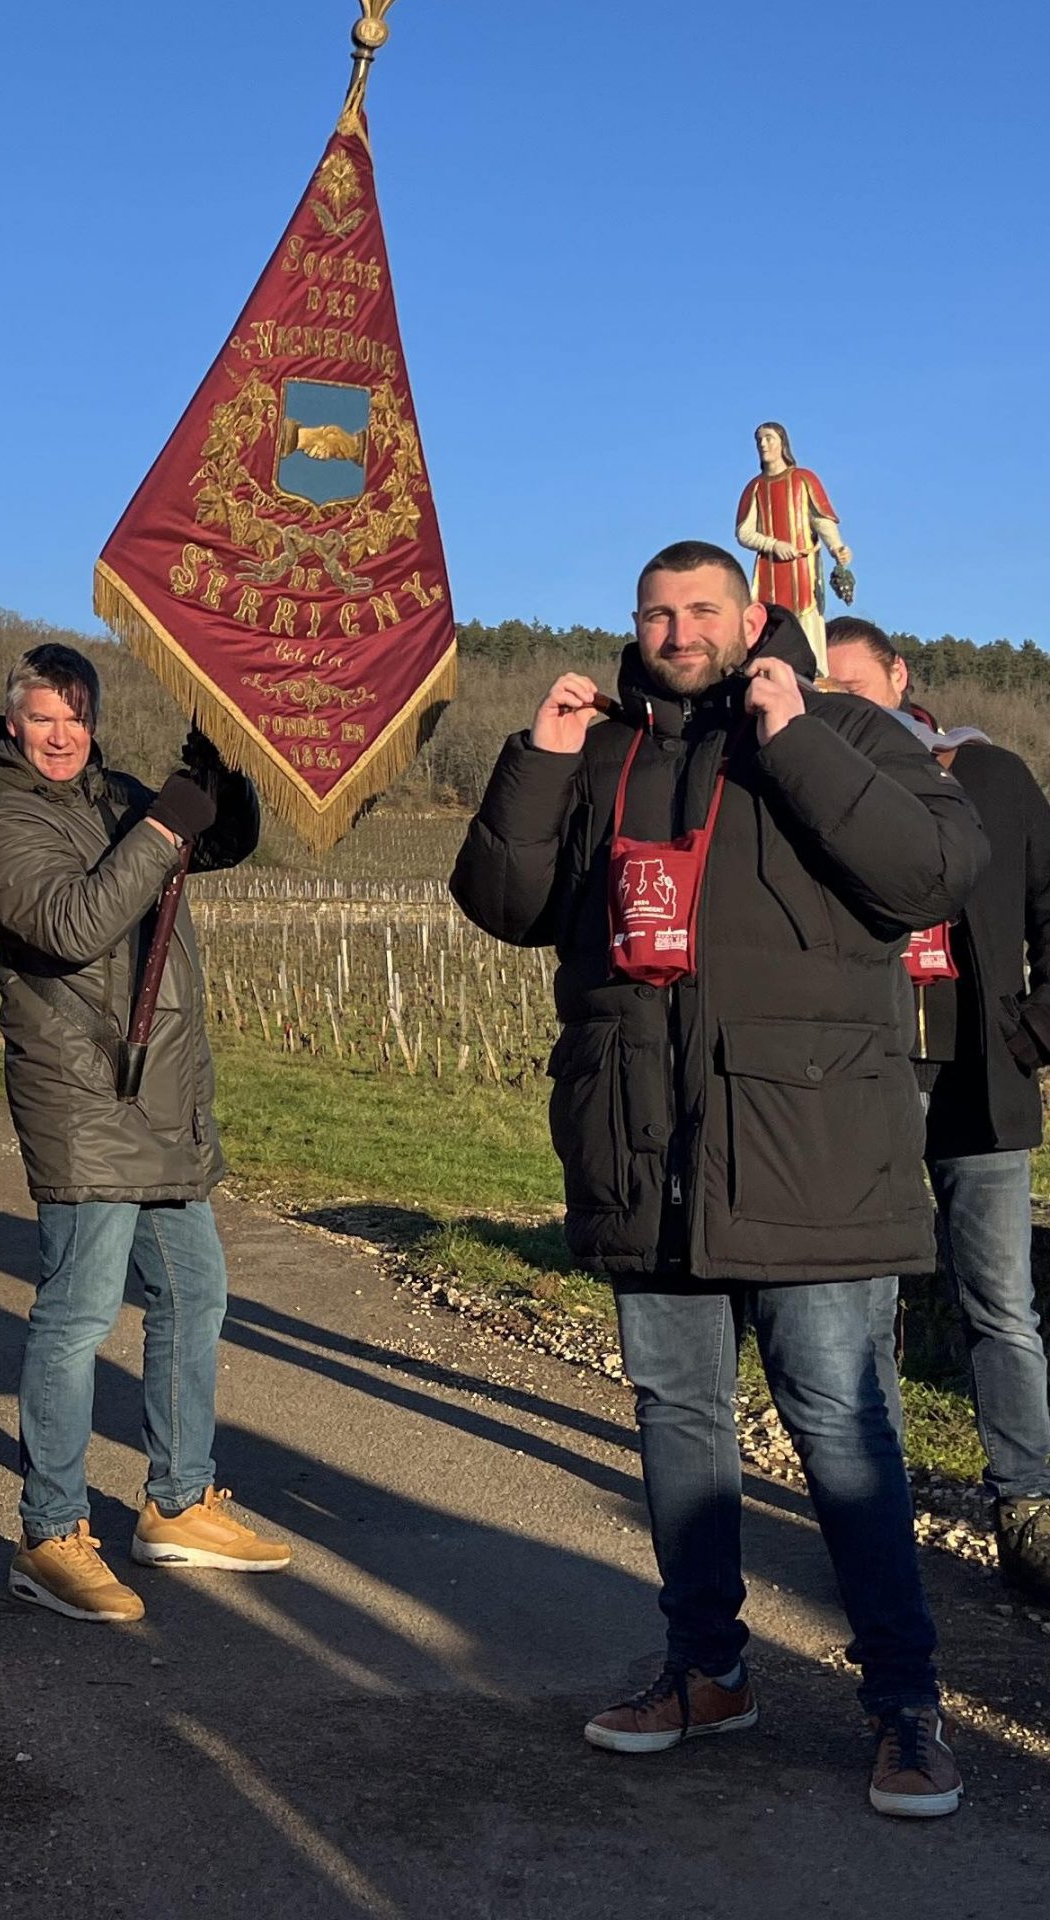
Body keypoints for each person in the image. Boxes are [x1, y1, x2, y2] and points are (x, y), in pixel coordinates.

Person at [452, 540, 984, 1819]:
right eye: (655, 611)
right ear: (632, 626)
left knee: (842, 1432)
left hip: (811, 1153)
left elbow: (928, 873)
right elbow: (503, 900)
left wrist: (797, 737)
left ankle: (905, 1708)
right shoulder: (612, 753)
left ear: (750, 618)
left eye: (701, 609)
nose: (676, 628)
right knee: (677, 1427)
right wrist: (538, 759)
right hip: (646, 1145)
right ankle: (706, 1670)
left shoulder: (847, 726)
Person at [0, 644, 289, 1624]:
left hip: (159, 1093)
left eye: (75, 716)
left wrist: (216, 773)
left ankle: (178, 1503)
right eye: (43, 718)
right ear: (12, 720)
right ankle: (49, 1533)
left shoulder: (114, 795)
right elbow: (71, 923)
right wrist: (160, 823)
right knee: (77, 1319)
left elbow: (214, 846)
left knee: (196, 1293)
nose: (61, 735)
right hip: (83, 1096)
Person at [821, 616, 1050, 1602]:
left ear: (898, 678)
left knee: (999, 1305)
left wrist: (1031, 1031)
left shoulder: (990, 780)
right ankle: (884, 1514)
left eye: (852, 689)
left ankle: (1026, 1503)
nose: (838, 709)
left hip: (981, 1080)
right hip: (867, 1080)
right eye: (820, 695)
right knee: (869, 1302)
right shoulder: (813, 792)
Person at [733, 421, 850, 670]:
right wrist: (773, 544)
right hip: (769, 568)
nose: (763, 444)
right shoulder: (755, 487)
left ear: (782, 442)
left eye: (769, 438)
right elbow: (744, 532)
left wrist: (836, 547)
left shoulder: (803, 479)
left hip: (803, 567)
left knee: (808, 617)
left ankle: (814, 671)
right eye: (759, 440)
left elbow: (821, 518)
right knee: (770, 619)